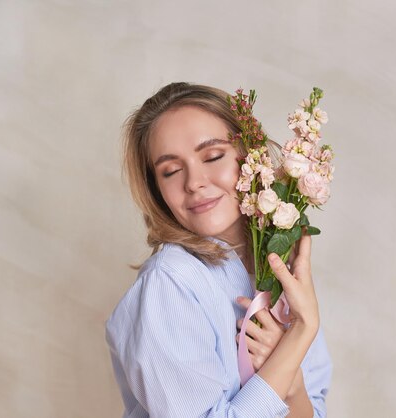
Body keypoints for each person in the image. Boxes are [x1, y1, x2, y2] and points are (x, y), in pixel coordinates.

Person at [105, 82, 332, 417]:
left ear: (251, 157)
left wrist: (292, 380)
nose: (194, 181)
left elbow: (314, 409)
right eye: (170, 171)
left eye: (212, 156)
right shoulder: (171, 283)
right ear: (157, 191)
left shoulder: (277, 269)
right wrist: (301, 333)